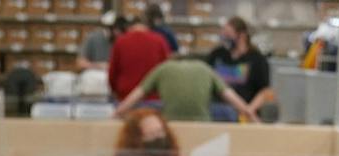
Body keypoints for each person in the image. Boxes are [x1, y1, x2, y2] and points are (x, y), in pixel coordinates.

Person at [116, 55, 258, 125]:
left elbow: (135, 96)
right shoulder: (204, 68)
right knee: (226, 111)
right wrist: (253, 118)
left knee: (146, 108)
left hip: (170, 126)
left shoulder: (163, 68)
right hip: (203, 126)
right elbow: (231, 96)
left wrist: (116, 114)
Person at [207, 18, 273, 109]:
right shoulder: (217, 55)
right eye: (223, 33)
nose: (224, 37)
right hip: (218, 109)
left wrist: (249, 111)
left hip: (245, 112)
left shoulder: (257, 59)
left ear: (242, 36)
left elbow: (265, 91)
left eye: (228, 34)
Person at [108, 10, 172, 100]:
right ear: (148, 26)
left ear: (129, 27)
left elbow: (112, 74)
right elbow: (167, 71)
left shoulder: (120, 41)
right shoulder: (159, 41)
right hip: (153, 99)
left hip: (125, 99)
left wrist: (116, 92)